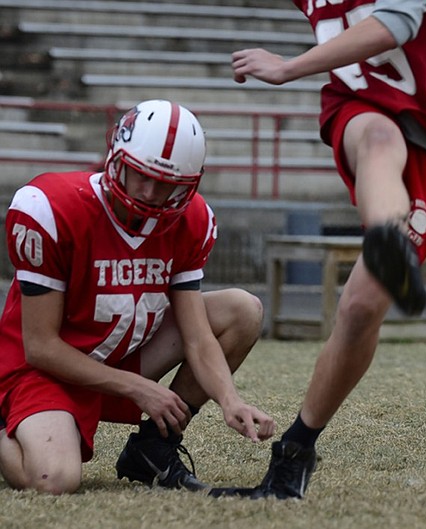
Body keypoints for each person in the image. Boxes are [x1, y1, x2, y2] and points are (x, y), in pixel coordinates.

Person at [210, 0, 426, 499]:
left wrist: (287, 67)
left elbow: (394, 26)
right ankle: (387, 238)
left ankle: (297, 447)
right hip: (365, 107)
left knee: (360, 307)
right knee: (379, 137)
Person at [0, 100, 276, 495]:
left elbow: (198, 336)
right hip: (44, 368)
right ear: (116, 160)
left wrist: (230, 400)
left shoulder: (191, 220)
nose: (149, 192)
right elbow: (40, 346)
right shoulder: (52, 207)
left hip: (118, 350)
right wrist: (136, 386)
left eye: (167, 184)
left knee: (242, 311)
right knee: (54, 480)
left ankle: (153, 447)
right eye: (140, 175)